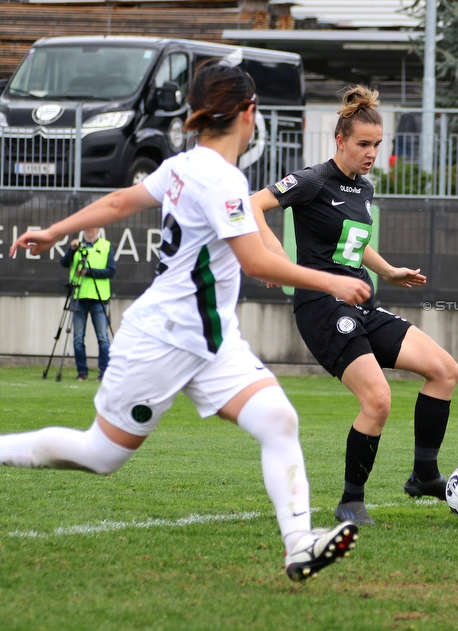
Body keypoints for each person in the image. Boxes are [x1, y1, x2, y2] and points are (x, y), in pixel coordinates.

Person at [3, 59, 374, 581]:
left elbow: (117, 201)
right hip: (164, 338)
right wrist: (332, 280)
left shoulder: (185, 164)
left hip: (212, 340)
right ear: (249, 113)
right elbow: (256, 262)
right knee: (100, 454)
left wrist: (53, 230)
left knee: (278, 420)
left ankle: (298, 546)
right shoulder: (219, 178)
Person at [250, 85, 458, 526]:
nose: (371, 153)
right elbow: (252, 205)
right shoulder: (312, 181)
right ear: (340, 140)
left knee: (444, 370)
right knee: (378, 399)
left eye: (377, 145)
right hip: (322, 307)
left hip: (361, 301)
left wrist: (387, 270)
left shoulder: (363, 189)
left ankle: (424, 475)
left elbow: (354, 243)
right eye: (364, 144)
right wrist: (273, 259)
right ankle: (351, 500)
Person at [60, 226, 115, 381]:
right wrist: (71, 250)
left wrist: (88, 272)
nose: (89, 230)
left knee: (103, 337)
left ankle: (104, 372)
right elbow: (64, 263)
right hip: (79, 296)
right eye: (87, 227)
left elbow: (111, 271)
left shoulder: (106, 246)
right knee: (78, 338)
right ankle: (82, 372)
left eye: (93, 227)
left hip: (99, 297)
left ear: (98, 230)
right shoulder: (77, 246)